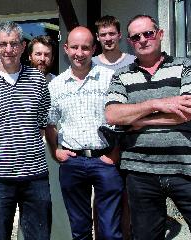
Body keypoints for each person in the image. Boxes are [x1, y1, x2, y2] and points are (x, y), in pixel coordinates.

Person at [105, 15, 191, 240]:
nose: (143, 39)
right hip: (140, 173)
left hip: (185, 170)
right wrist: (158, 104)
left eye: (148, 33)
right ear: (130, 42)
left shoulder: (185, 67)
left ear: (160, 34)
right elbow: (112, 114)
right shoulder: (122, 76)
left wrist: (138, 119)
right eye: (136, 36)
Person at [0, 21, 51, 240]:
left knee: (39, 235)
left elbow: (43, 123)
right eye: (3, 44)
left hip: (35, 176)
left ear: (23, 47)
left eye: (14, 44)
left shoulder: (38, 80)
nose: (9, 50)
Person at [45, 26, 122, 240]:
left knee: (110, 231)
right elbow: (50, 123)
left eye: (86, 48)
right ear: (66, 49)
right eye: (75, 47)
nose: (80, 53)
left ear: (94, 49)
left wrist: (115, 153)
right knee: (79, 230)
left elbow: (122, 119)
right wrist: (55, 152)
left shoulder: (110, 78)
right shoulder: (56, 85)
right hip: (72, 162)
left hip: (104, 160)